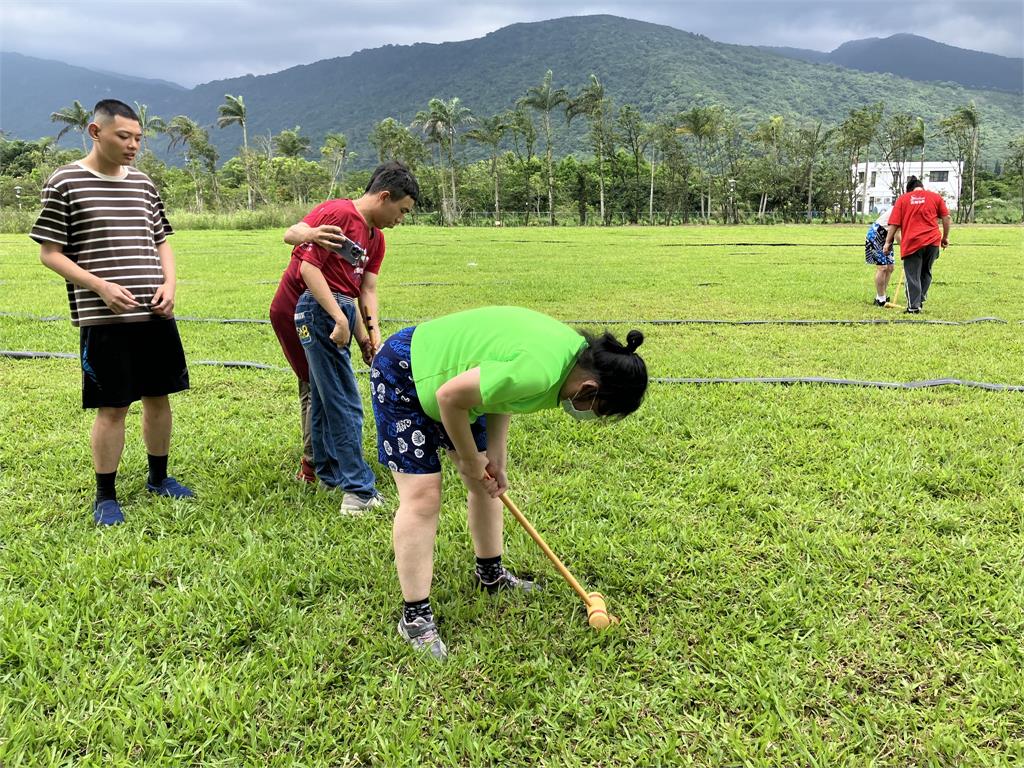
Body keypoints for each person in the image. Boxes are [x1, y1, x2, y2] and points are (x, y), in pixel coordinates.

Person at [370, 306, 649, 660]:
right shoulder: (541, 371)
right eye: (599, 411)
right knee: (423, 497)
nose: (591, 417)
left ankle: (490, 575)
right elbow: (449, 397)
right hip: (405, 372)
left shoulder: (572, 360)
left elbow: (500, 392)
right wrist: (470, 459)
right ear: (589, 389)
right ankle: (415, 617)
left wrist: (494, 457)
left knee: (487, 484)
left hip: (456, 384)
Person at [30, 99, 193, 526]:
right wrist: (100, 287)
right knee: (113, 406)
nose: (133, 145)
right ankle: (106, 496)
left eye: (138, 138)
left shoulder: (143, 184)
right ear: (95, 132)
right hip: (105, 320)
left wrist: (170, 285)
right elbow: (50, 253)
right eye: (124, 136)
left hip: (155, 314)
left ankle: (159, 478)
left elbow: (161, 241)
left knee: (159, 397)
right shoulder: (65, 182)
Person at [269, 162, 419, 512]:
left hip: (335, 309)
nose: (401, 219)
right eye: (402, 210)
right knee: (339, 397)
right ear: (384, 196)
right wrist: (338, 318)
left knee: (325, 394)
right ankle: (357, 491)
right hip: (311, 308)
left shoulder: (376, 238)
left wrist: (370, 336)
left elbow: (364, 289)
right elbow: (306, 262)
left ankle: (326, 472)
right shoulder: (339, 213)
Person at [883, 176, 951, 314]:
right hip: (932, 242)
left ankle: (913, 307)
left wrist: (888, 242)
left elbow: (894, 223)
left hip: (912, 243)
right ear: (922, 187)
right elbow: (947, 217)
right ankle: (919, 300)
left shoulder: (903, 199)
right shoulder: (935, 197)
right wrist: (945, 237)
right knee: (926, 271)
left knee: (912, 275)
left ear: (909, 190)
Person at [864, 204, 897, 306]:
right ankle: (880, 299)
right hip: (876, 235)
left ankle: (882, 295)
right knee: (882, 267)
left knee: (890, 267)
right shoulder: (900, 209)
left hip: (888, 237)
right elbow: (898, 234)